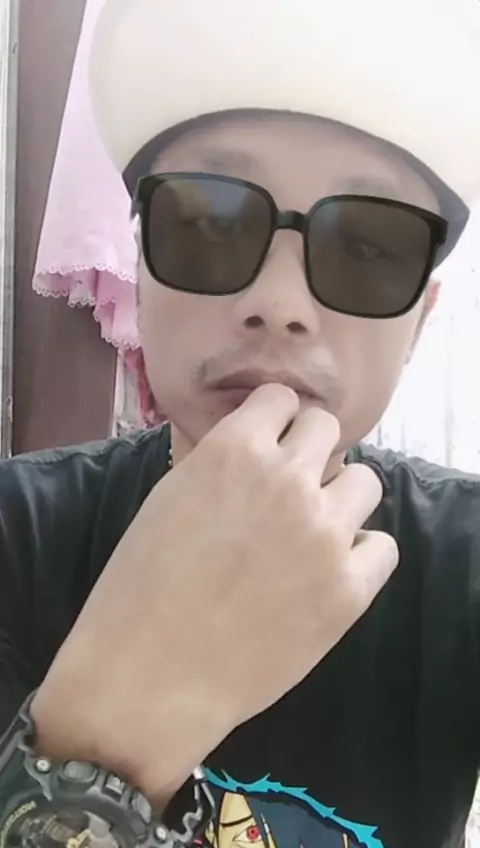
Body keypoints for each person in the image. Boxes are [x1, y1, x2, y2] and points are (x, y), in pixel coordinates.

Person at [1, 1, 479, 846]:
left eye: (367, 247)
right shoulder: (15, 535)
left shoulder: (465, 565)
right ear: (141, 272)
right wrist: (111, 737)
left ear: (419, 322)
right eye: (210, 225)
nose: (279, 302)